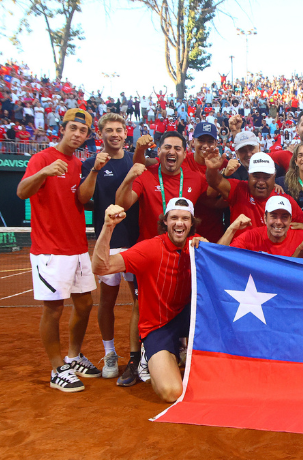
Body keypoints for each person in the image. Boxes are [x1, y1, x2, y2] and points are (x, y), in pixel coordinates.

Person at [16, 108, 101, 393]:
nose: (77, 134)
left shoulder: (80, 165)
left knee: (85, 304)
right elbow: (22, 192)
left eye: (83, 131)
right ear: (62, 129)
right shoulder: (41, 159)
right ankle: (56, 368)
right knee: (53, 310)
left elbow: (83, 200)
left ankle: (73, 357)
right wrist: (44, 171)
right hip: (50, 250)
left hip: (77, 248)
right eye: (73, 128)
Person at [91, 198, 207, 403]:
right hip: (158, 324)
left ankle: (183, 350)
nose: (179, 223)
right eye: (174, 218)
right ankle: (155, 355)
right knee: (170, 392)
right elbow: (101, 268)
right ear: (165, 222)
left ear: (191, 224)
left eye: (185, 218)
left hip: (187, 317)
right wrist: (108, 227)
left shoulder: (197, 244)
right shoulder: (148, 249)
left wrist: (209, 248)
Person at [78, 113, 142, 386]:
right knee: (107, 302)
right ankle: (109, 354)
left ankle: (139, 356)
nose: (115, 134)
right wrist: (94, 169)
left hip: (136, 243)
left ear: (126, 133)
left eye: (119, 130)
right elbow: (83, 198)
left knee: (141, 301)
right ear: (100, 134)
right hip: (108, 243)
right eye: (109, 130)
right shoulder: (90, 164)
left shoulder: (134, 162)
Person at [116, 130, 209, 242]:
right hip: (149, 249)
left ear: (184, 154)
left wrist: (216, 172)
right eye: (167, 147)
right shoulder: (146, 174)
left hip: (181, 250)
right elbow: (121, 205)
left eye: (177, 149)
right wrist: (128, 179)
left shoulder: (196, 178)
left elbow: (215, 200)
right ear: (159, 151)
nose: (172, 152)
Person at [205, 151, 303, 239]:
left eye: (266, 177)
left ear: (274, 177)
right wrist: (212, 169)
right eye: (256, 176)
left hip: (270, 260)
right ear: (248, 176)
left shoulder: (285, 199)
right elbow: (216, 182)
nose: (261, 182)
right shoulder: (239, 188)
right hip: (240, 257)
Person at [218, 196, 303, 256]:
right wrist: (231, 229)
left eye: (284, 217)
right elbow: (216, 257)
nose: (278, 222)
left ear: (290, 219)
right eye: (273, 216)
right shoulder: (251, 237)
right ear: (265, 218)